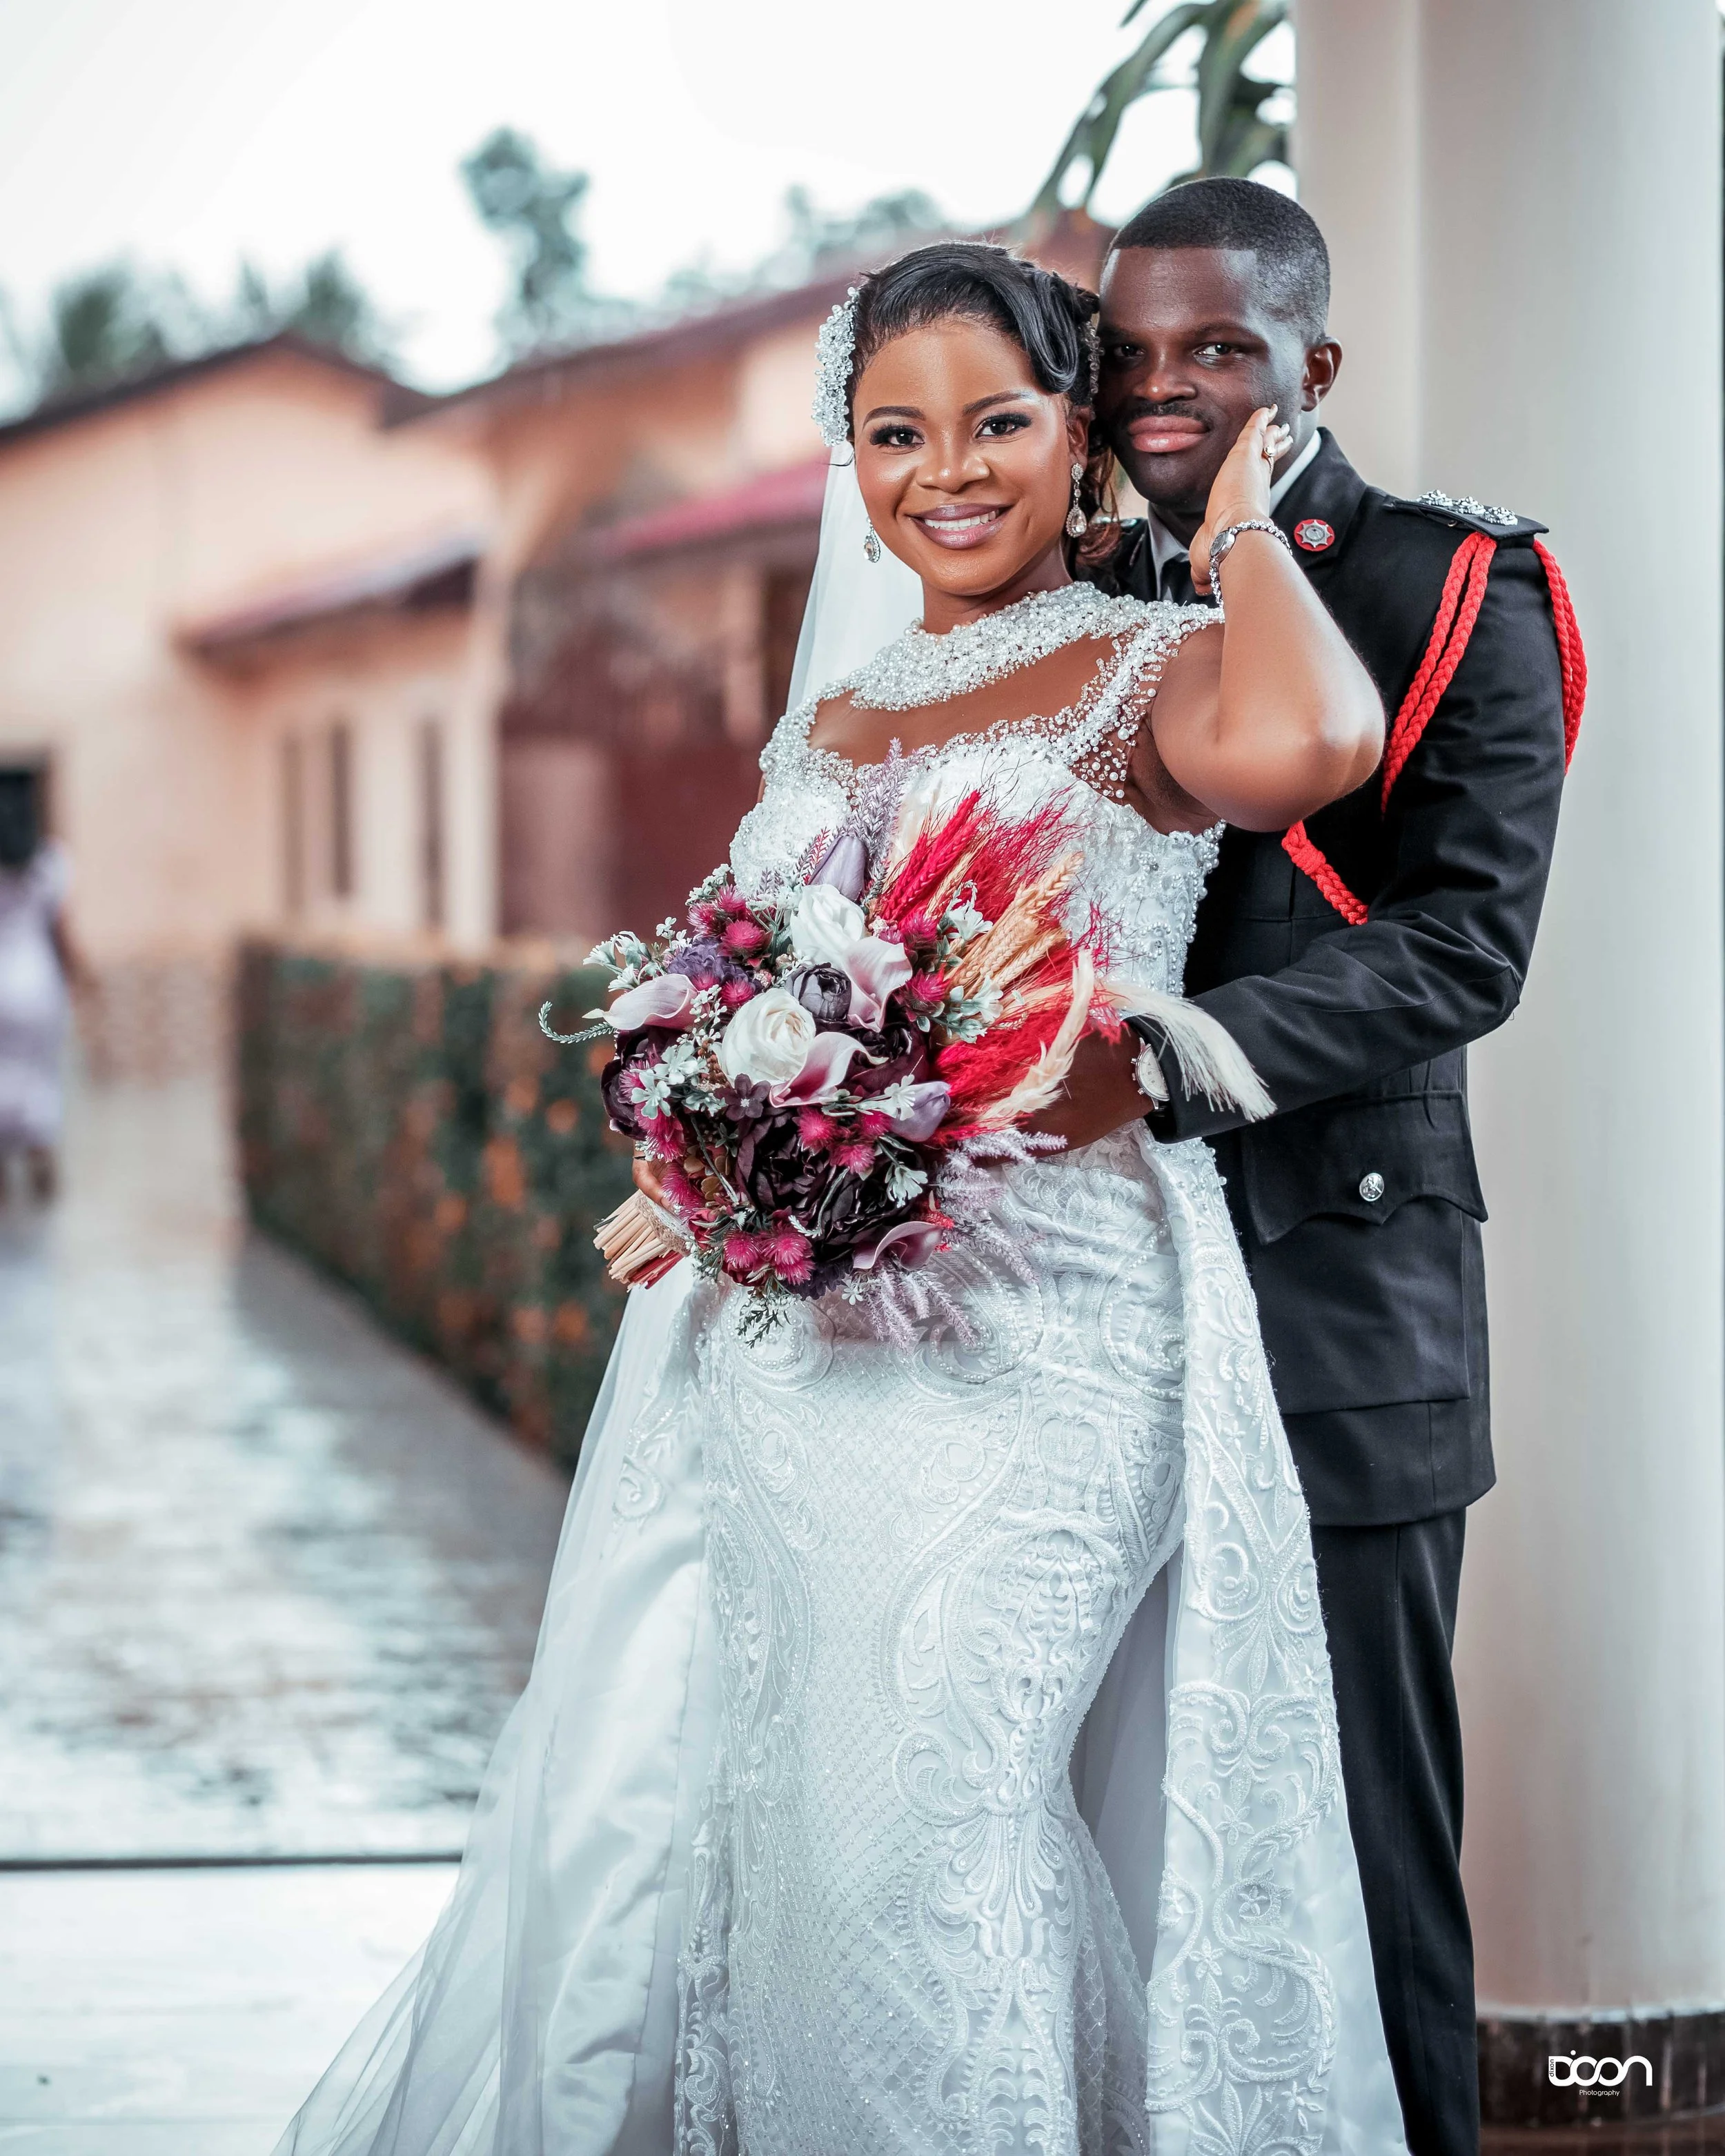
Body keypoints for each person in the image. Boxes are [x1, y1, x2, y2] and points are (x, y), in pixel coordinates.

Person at [277, 242, 1405, 2156]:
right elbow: (762, 982)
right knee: (805, 1817)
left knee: (926, 1816)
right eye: (893, 432)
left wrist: (1229, 529)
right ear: (845, 456)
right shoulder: (840, 714)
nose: (942, 470)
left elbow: (1321, 743)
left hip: (1057, 1324)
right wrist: (713, 1147)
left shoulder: (1156, 659)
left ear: (1075, 439)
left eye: (995, 422)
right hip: (802, 1350)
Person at [1083, 178, 1580, 2156]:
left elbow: (1468, 933)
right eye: (1129, 350)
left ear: (1314, 365)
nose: (1167, 387)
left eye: (1219, 347)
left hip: (1335, 1284)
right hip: (1079, 1289)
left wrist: (1201, 1050)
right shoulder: (1074, 593)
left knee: (1365, 1839)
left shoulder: (1463, 585)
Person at [0, 769, 77, 1202]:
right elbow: (60, 928)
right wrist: (76, 976)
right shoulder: (51, 862)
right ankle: (40, 1148)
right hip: (39, 982)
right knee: (42, 1077)